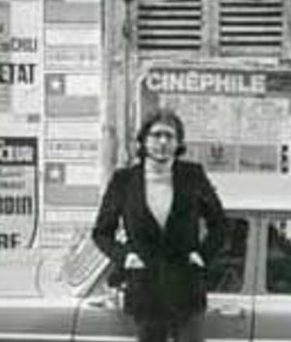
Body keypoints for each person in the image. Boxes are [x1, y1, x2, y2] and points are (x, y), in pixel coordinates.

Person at [92, 108, 228, 342]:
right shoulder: (124, 181)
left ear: (178, 143)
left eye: (170, 136)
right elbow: (101, 233)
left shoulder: (192, 175)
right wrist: (126, 257)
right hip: (145, 292)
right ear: (144, 141)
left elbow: (220, 224)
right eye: (156, 135)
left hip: (186, 290)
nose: (163, 142)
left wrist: (203, 255)